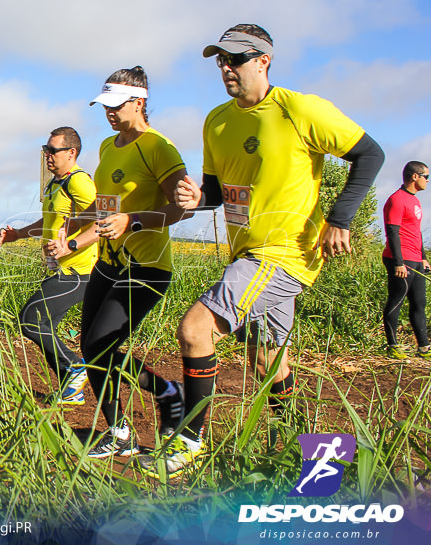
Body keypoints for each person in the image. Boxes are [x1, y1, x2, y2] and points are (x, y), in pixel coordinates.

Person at [138, 24, 384, 478]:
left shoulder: (301, 109)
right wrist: (198, 199)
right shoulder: (217, 119)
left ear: (263, 60)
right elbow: (216, 189)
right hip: (245, 251)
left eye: (235, 59)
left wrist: (341, 219)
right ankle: (304, 448)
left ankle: (190, 441)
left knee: (195, 328)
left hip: (285, 252)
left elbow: (370, 154)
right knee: (268, 357)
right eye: (221, 60)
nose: (226, 68)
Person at [58, 67, 190, 458]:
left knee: (101, 345)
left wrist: (131, 221)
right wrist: (73, 233)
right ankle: (119, 431)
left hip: (146, 267)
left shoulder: (159, 147)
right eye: (105, 106)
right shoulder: (106, 147)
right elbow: (105, 206)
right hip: (107, 263)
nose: (110, 113)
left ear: (140, 101)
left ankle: (168, 394)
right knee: (91, 347)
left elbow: (181, 210)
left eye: (117, 105)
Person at [0, 127, 99, 405]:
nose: (47, 155)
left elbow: (102, 216)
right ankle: (72, 389)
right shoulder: (56, 184)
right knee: (45, 327)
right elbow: (50, 223)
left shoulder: (79, 182)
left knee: (30, 319)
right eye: (46, 149)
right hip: (60, 268)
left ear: (71, 152)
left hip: (80, 270)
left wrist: (73, 245)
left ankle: (76, 368)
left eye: (52, 150)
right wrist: (18, 233)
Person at [381, 161, 430, 360]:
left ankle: (424, 347)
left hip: (415, 258)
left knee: (419, 303)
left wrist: (424, 258)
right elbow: (392, 232)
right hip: (400, 259)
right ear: (415, 177)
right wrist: (399, 262)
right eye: (426, 176)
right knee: (397, 300)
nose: (428, 180)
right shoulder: (397, 200)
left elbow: (415, 232)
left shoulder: (415, 200)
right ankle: (393, 346)